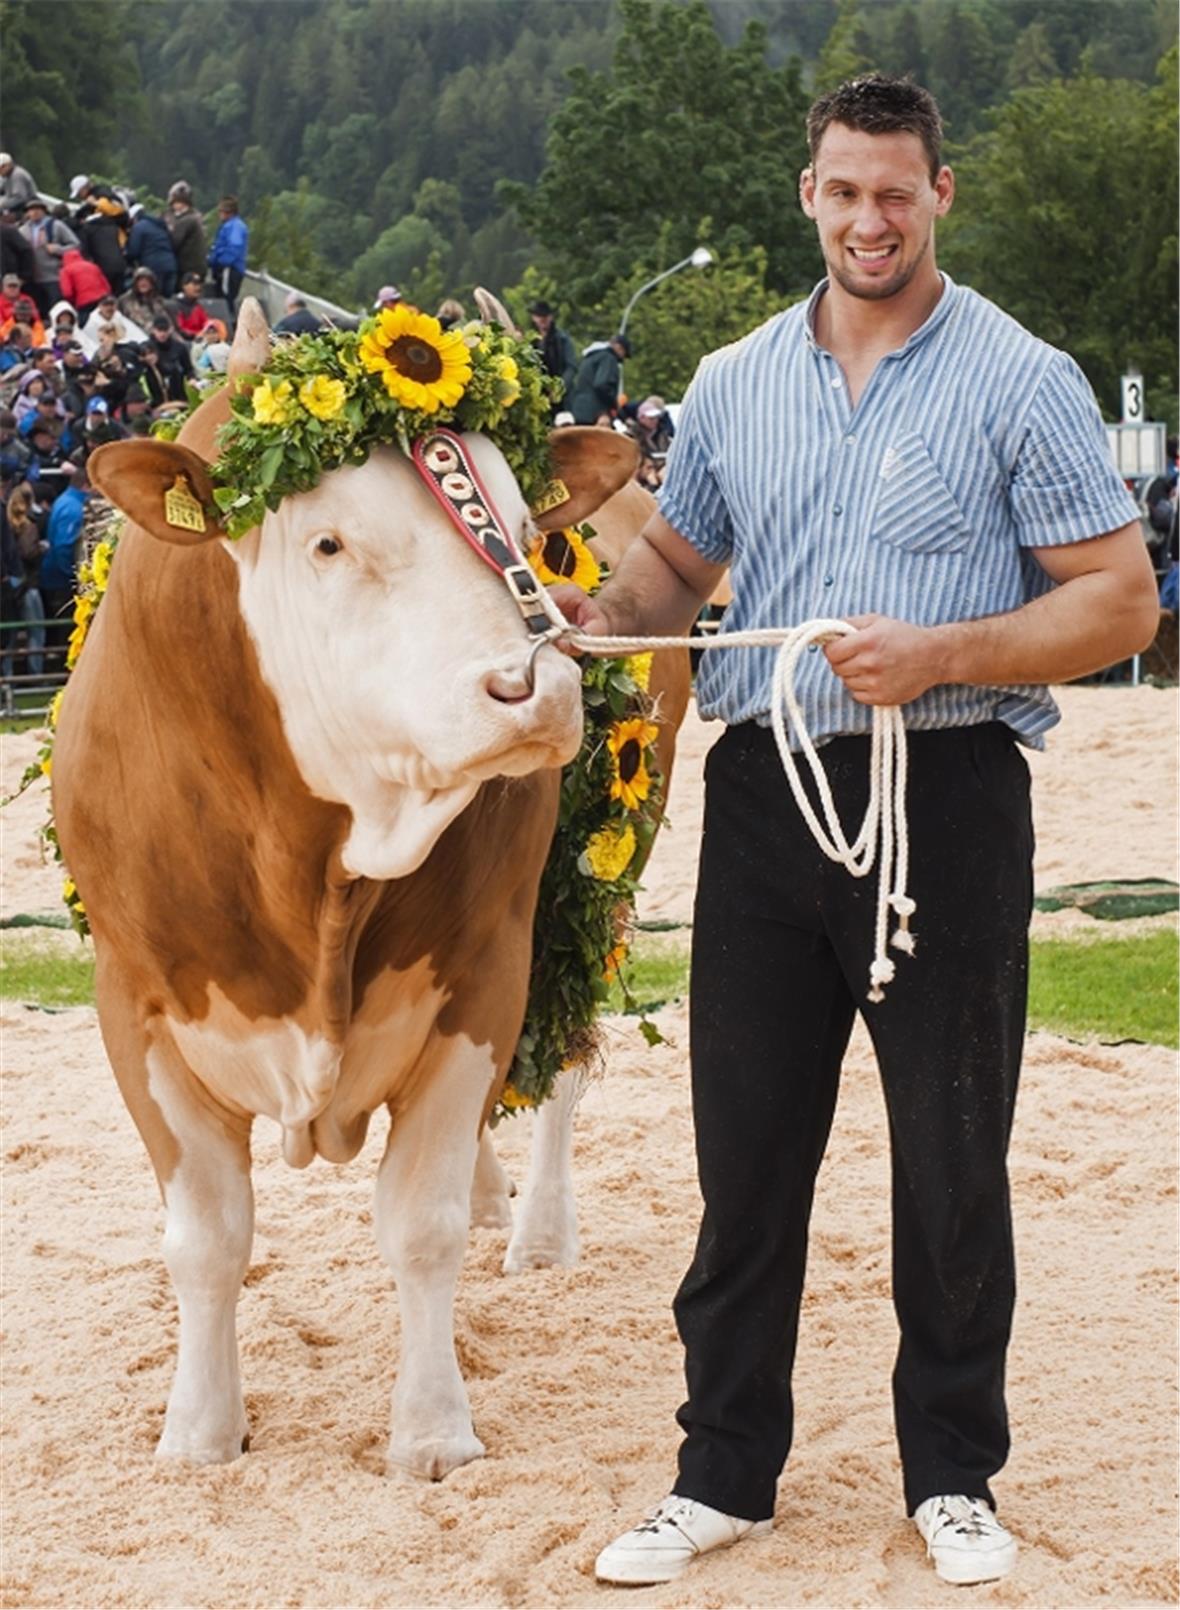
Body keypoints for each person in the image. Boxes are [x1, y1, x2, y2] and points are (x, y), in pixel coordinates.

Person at [559, 74, 1159, 1592]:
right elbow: (672, 580)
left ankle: (954, 1472)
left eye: (896, 191)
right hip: (765, 791)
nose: (869, 218)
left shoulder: (1022, 376)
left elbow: (1120, 598)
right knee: (745, 1150)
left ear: (939, 194)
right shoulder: (735, 376)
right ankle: (722, 1472)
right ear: (808, 193)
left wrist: (944, 651)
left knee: (952, 1150)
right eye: (843, 190)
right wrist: (583, 625)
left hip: (945, 789)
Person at [19, 197, 79, 319]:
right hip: (33, 278)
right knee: (39, 313)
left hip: (54, 276)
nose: (34, 212)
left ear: (44, 210)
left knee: (57, 310)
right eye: (31, 210)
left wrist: (58, 249)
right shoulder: (22, 230)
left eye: (37, 209)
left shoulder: (56, 225)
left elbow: (76, 245)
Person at [566, 331, 630, 425]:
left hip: (578, 410)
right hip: (595, 414)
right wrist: (613, 404)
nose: (622, 358)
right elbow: (601, 384)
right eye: (624, 353)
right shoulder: (609, 358)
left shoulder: (590, 357)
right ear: (619, 347)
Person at [527, 298, 578, 415]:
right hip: (540, 398)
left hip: (562, 399)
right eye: (539, 317)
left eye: (545, 317)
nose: (542, 320)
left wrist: (559, 388)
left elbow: (571, 367)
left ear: (551, 317)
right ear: (534, 318)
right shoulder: (531, 342)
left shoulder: (563, 339)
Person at [125, 204, 179, 298]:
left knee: (154, 298)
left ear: (134, 218)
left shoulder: (139, 227)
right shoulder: (159, 225)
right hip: (171, 265)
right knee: (167, 299)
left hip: (154, 267)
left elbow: (134, 251)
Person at [207, 195, 248, 316]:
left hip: (229, 270)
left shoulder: (234, 227)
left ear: (227, 212)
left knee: (226, 300)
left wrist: (220, 262)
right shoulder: (231, 226)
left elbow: (234, 247)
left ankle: (228, 324)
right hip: (228, 269)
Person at [164, 182, 207, 282]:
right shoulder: (196, 216)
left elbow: (174, 242)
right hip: (198, 267)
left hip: (187, 269)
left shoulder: (187, 220)